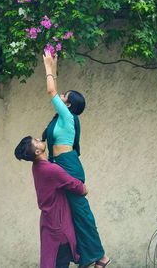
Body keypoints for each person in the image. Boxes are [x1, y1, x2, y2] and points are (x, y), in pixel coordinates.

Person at [42, 52, 111, 268]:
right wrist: (55, 62)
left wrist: (47, 68)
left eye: (65, 97)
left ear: (69, 105)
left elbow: (51, 90)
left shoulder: (67, 117)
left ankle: (100, 256)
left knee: (81, 213)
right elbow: (57, 90)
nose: (61, 96)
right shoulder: (64, 117)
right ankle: (82, 256)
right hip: (62, 166)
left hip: (69, 168)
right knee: (68, 214)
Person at [14, 136, 88, 268]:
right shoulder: (51, 170)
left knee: (52, 262)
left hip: (49, 222)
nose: (38, 139)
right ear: (37, 152)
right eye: (36, 141)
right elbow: (80, 188)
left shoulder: (37, 167)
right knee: (59, 263)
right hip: (58, 227)